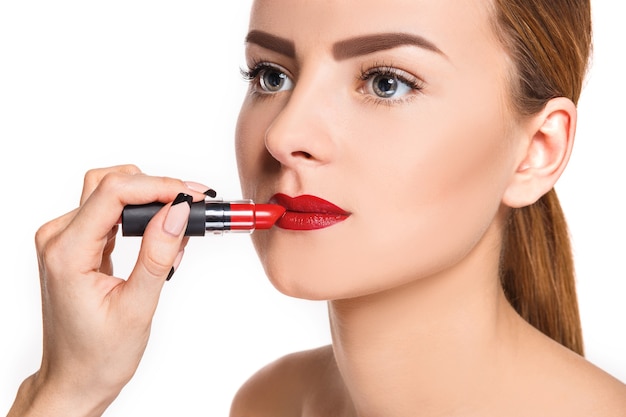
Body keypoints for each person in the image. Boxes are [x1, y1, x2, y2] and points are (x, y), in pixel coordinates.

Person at [6, 0, 626, 416]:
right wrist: (65, 390)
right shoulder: (269, 403)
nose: (282, 136)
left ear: (536, 152)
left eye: (387, 83)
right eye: (271, 76)